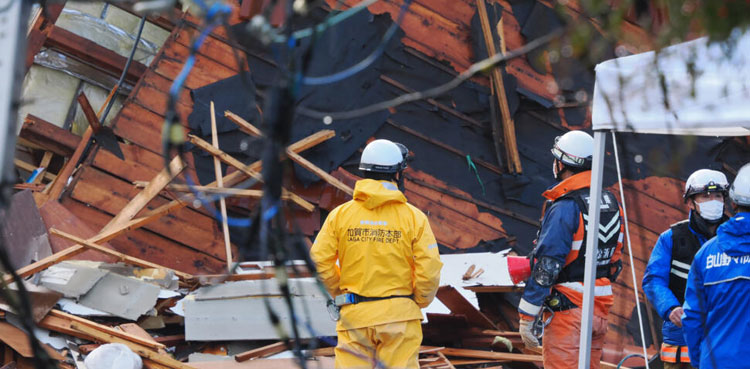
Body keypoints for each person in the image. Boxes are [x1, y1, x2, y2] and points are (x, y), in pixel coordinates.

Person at [310, 139, 443, 369]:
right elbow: (429, 269)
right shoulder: (414, 218)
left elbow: (319, 263)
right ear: (397, 175)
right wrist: (418, 301)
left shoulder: (340, 215)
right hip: (400, 318)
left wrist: (342, 293)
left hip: (355, 318)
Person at [518, 131, 624, 369]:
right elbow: (615, 261)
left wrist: (527, 315)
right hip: (600, 309)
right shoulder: (611, 203)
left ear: (563, 164)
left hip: (567, 313)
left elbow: (548, 265)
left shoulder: (565, 206)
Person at [642, 169, 730, 368]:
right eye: (705, 196)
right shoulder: (671, 238)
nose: (713, 201)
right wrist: (670, 307)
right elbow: (653, 279)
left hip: (725, 338)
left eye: (717, 196)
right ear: (690, 202)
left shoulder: (737, 239)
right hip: (681, 343)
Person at [682, 162, 750, 369]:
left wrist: (700, 360)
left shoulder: (706, 254)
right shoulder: (674, 238)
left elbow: (692, 318)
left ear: (733, 203)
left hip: (714, 361)